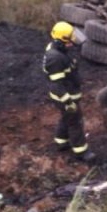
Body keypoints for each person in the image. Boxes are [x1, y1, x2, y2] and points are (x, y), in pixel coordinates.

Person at [43, 21, 94, 161]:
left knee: (67, 118)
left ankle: (61, 142)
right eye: (69, 42)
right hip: (65, 97)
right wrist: (68, 102)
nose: (71, 44)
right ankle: (81, 151)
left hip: (67, 93)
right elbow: (56, 85)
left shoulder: (56, 49)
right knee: (75, 122)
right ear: (60, 41)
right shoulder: (55, 58)